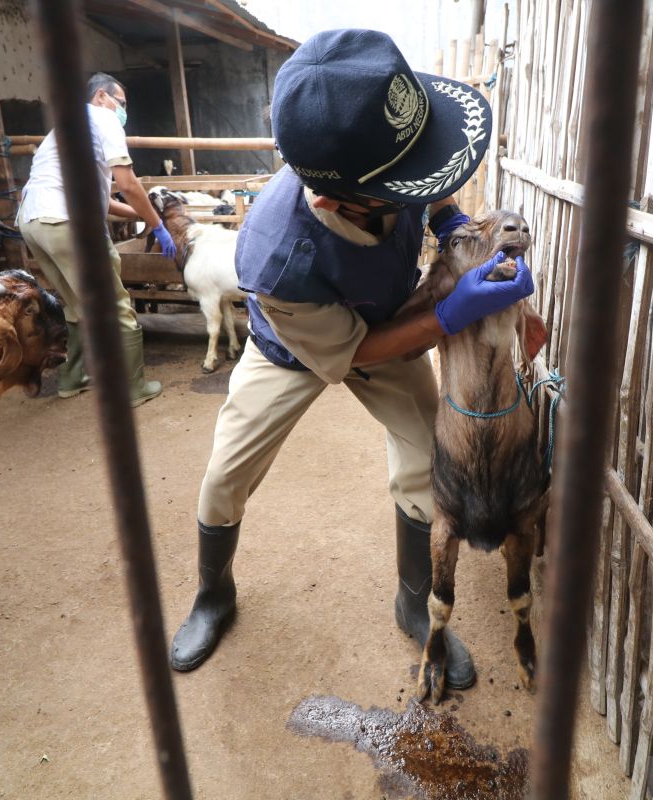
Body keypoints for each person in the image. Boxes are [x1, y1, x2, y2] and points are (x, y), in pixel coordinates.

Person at [169, 29, 535, 691]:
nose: (425, 180)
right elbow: (356, 353)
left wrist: (452, 222)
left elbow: (434, 185)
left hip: (390, 318)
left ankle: (412, 599)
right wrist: (450, 314)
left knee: (432, 454)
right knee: (226, 471)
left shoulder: (376, 154)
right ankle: (213, 593)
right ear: (341, 200)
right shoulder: (277, 257)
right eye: (411, 179)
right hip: (297, 348)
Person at [17, 72, 175, 404]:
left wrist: (145, 216)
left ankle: (72, 378)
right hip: (68, 222)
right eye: (122, 103)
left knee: (75, 305)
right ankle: (134, 388)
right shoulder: (103, 119)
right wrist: (157, 225)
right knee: (117, 305)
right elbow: (128, 183)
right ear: (101, 97)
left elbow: (104, 200)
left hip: (33, 222)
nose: (123, 111)